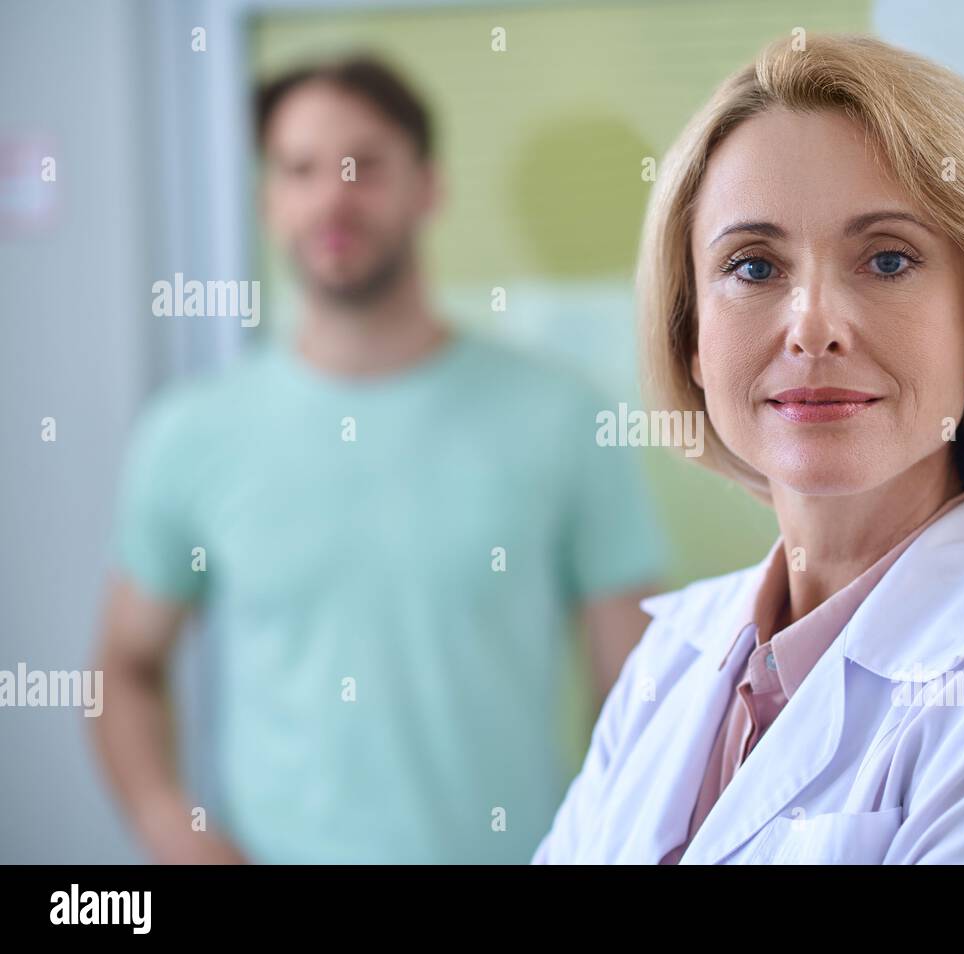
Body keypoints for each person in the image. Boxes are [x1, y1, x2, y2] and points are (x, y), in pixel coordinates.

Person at [532, 32, 964, 865]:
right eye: (752, 267)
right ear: (693, 339)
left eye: (887, 259)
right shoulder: (670, 661)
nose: (812, 325)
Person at [91, 57, 666, 864]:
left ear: (427, 187)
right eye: (300, 169)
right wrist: (174, 833)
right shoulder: (190, 434)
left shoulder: (564, 419)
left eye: (363, 165)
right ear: (268, 200)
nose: (333, 195)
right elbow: (124, 666)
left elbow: (638, 691)